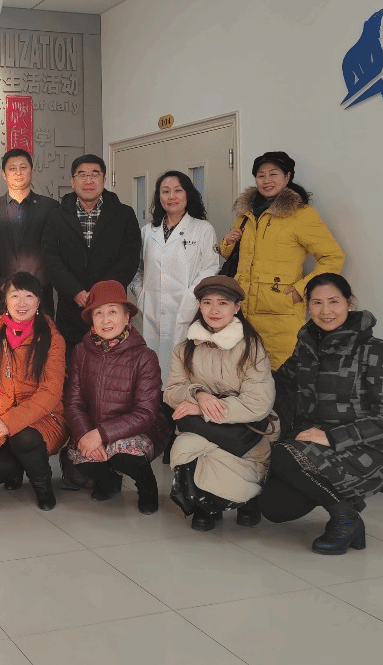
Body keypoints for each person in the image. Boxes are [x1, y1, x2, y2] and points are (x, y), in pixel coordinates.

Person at [260, 274, 383, 555]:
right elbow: (280, 383)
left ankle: (345, 518)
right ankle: (347, 507)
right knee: (275, 509)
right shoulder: (306, 346)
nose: (325, 311)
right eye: (317, 303)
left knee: (283, 453)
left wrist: (332, 437)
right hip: (308, 443)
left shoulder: (376, 351)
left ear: (350, 302)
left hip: (362, 449)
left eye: (333, 301)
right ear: (308, 306)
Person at [164, 275, 277, 531]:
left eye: (223, 303)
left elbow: (259, 402)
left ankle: (250, 498)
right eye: (207, 302)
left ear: (237, 307)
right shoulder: (185, 349)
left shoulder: (252, 348)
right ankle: (205, 505)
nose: (214, 310)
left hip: (244, 429)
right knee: (183, 448)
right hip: (204, 428)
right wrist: (199, 395)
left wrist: (203, 409)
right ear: (200, 306)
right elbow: (170, 391)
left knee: (233, 462)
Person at [218, 151, 344, 368]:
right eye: (261, 175)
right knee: (244, 373)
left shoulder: (301, 214)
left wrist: (301, 290)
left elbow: (333, 257)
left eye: (273, 174)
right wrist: (227, 243)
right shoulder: (246, 213)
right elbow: (235, 256)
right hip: (241, 311)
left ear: (287, 177)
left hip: (279, 313)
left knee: (281, 375)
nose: (266, 180)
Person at [63, 280, 168, 514]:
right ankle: (109, 481)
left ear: (126, 317)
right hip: (94, 428)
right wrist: (86, 434)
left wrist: (101, 434)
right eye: (98, 313)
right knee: (78, 460)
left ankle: (147, 487)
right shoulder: (81, 352)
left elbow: (145, 413)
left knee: (124, 456)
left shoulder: (145, 356)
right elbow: (73, 403)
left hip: (137, 431)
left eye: (113, 312)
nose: (106, 320)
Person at [0, 272, 67, 510]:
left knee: (24, 437)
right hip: (2, 417)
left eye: (29, 296)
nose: (22, 303)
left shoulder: (52, 338)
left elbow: (51, 393)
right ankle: (18, 467)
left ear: (39, 301)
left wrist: (9, 423)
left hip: (44, 417)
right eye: (15, 295)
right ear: (5, 301)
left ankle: (42, 484)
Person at [43, 154, 142, 350]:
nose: (88, 180)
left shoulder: (124, 214)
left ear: (104, 179)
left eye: (95, 174)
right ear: (72, 181)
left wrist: (101, 293)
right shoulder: (56, 217)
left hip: (111, 309)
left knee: (114, 362)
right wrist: (75, 291)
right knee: (73, 363)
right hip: (71, 309)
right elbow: (50, 258)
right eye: (82, 175)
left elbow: (129, 258)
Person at [133, 170, 221, 385]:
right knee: (152, 371)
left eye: (177, 191)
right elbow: (136, 269)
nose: (171, 196)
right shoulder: (147, 232)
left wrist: (190, 298)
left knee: (183, 370)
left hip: (188, 309)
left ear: (187, 194)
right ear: (159, 197)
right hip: (151, 310)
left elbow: (210, 269)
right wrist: (141, 293)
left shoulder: (202, 229)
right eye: (165, 191)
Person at [0, 149, 58, 323]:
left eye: (23, 167)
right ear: (4, 174)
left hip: (39, 297)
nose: (18, 172)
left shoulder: (50, 207)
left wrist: (32, 288)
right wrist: (1, 284)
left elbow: (55, 251)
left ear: (32, 170)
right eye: (12, 168)